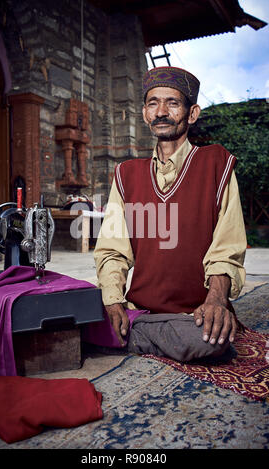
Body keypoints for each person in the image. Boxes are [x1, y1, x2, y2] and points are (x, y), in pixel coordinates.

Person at [93, 66, 247, 362]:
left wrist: (216, 299)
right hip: (143, 309)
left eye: (172, 103)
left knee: (209, 339)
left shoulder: (216, 163)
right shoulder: (127, 174)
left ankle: (134, 336)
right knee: (76, 311)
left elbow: (227, 249)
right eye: (153, 103)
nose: (161, 111)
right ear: (144, 113)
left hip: (196, 313)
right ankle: (139, 329)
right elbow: (113, 250)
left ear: (192, 114)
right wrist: (113, 301)